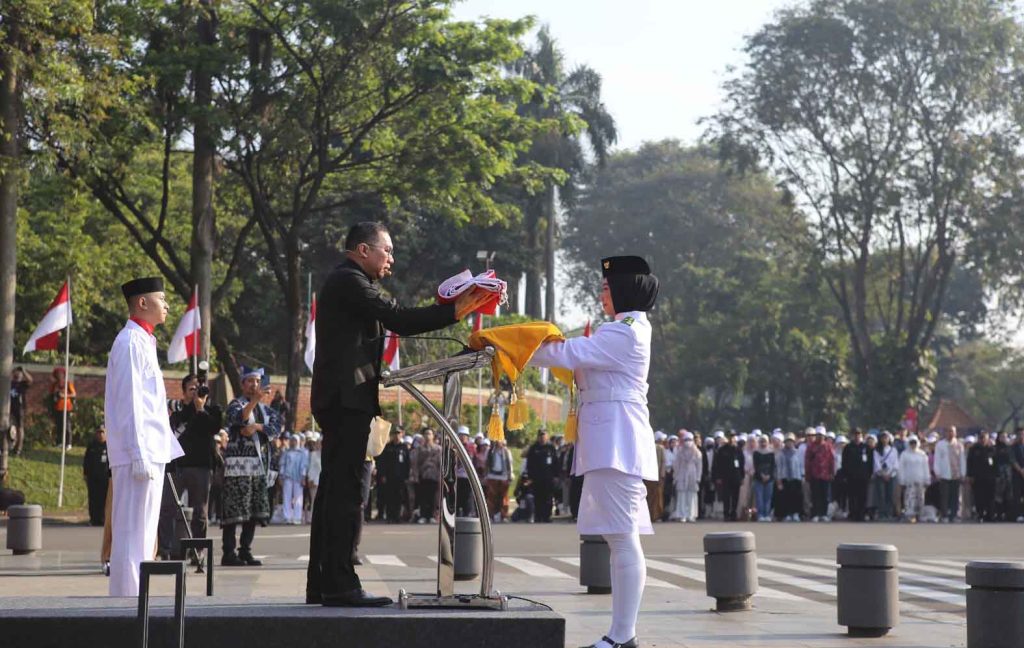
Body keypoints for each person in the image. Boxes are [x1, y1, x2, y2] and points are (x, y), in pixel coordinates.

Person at [305, 221, 473, 608]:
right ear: (363, 250)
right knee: (346, 496)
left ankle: (324, 583)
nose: (391, 260)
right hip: (347, 402)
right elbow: (398, 318)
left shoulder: (347, 281)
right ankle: (341, 585)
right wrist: (456, 311)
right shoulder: (350, 281)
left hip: (343, 399)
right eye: (387, 251)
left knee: (335, 495)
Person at [529, 254, 659, 648]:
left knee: (622, 539)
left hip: (616, 444)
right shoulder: (625, 328)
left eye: (605, 288)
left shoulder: (624, 332)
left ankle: (622, 637)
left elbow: (567, 354)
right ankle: (622, 635)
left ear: (621, 290)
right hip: (612, 442)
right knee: (620, 539)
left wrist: (511, 343)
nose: (602, 294)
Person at [104, 276, 184, 596]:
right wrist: (137, 452)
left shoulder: (144, 341)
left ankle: (136, 601)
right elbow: (131, 402)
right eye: (160, 298)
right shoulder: (128, 343)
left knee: (144, 533)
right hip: (139, 453)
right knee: (131, 534)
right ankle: (126, 603)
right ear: (142, 303)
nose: (166, 305)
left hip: (151, 451)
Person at [222, 366, 279, 566]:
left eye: (257, 381)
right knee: (234, 511)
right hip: (237, 467)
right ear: (243, 384)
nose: (254, 385)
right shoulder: (235, 404)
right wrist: (254, 403)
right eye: (250, 381)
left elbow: (275, 428)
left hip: (258, 467)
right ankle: (228, 552)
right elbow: (240, 419)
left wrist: (257, 427)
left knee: (254, 511)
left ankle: (245, 550)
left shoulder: (267, 410)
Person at [168, 374, 222, 561]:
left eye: (199, 388)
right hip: (179, 465)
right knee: (171, 508)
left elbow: (213, 428)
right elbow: (175, 425)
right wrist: (190, 406)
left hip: (202, 466)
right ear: (183, 392)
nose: (196, 392)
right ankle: (170, 549)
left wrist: (200, 408)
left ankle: (199, 550)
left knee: (200, 511)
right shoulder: (179, 413)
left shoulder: (212, 409)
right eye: (191, 389)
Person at [377, 428, 409, 523]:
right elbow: (382, 463)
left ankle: (397, 516)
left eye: (398, 433)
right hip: (389, 476)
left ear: (402, 434)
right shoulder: (387, 447)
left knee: (399, 497)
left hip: (400, 477)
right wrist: (382, 475)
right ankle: (390, 517)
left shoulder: (404, 447)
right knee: (389, 497)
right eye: (395, 433)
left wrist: (407, 476)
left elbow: (408, 463)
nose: (396, 435)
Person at [525, 430, 558, 523]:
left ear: (547, 437)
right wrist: (530, 477)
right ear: (538, 437)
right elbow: (529, 464)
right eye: (540, 436)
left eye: (544, 436)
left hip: (548, 478)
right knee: (538, 498)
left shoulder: (551, 448)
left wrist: (556, 476)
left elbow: (555, 462)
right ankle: (538, 516)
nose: (542, 438)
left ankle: (547, 516)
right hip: (536, 478)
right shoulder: (534, 448)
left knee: (548, 498)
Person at [670, 431, 702, 522]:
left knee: (691, 496)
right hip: (682, 475)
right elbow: (676, 465)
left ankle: (691, 515)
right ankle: (682, 514)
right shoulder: (679, 452)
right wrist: (675, 477)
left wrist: (698, 478)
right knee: (682, 495)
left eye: (689, 440)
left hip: (693, 475)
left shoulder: (697, 453)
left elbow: (699, 466)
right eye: (686, 440)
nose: (688, 442)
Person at [805, 427, 834, 522]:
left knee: (825, 496)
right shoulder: (811, 447)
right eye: (818, 435)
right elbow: (807, 461)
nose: (820, 437)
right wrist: (807, 474)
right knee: (815, 496)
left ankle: (824, 514)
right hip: (814, 475)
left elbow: (831, 460)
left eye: (821, 435)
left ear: (824, 436)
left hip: (825, 475)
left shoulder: (828, 446)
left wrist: (831, 473)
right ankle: (815, 514)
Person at [712, 433, 744, 521]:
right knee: (726, 497)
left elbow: (741, 464)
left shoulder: (738, 450)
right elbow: (717, 465)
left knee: (735, 497)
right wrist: (718, 477)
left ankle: (733, 513)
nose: (731, 439)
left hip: (736, 476)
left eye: (733, 437)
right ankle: (726, 514)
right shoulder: (722, 450)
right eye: (730, 437)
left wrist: (742, 477)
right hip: (725, 477)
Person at [842, 429, 871, 521]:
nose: (857, 436)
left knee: (862, 496)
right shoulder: (848, 447)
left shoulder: (866, 447)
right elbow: (844, 462)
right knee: (852, 496)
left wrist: (869, 474)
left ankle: (861, 514)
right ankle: (853, 514)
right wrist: (845, 475)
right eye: (855, 434)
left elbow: (870, 462)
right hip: (851, 476)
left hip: (863, 477)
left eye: (859, 434)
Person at [82, 428, 110, 526]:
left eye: (102, 432)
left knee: (105, 499)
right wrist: (85, 474)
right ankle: (94, 519)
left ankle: (103, 519)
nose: (100, 434)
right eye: (98, 432)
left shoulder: (109, 446)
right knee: (93, 499)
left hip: (105, 478)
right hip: (93, 478)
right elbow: (86, 461)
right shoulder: (92, 446)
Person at [898, 435, 929, 522]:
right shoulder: (904, 454)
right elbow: (901, 468)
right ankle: (909, 515)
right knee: (909, 498)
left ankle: (920, 515)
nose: (913, 445)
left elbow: (925, 467)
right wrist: (902, 479)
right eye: (911, 443)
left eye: (914, 443)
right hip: (909, 480)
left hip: (920, 479)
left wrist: (927, 479)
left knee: (920, 498)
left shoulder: (922, 454)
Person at [967, 431, 997, 522]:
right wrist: (970, 475)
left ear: (988, 438)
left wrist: (996, 475)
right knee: (979, 497)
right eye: (981, 437)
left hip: (990, 478)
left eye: (984, 437)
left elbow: (996, 464)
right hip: (977, 477)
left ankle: (990, 515)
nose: (983, 439)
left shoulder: (991, 449)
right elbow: (969, 463)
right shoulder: (973, 449)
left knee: (990, 497)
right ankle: (980, 514)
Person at [483, 438, 514, 521]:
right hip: (492, 476)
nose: (498, 442)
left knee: (504, 498)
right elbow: (486, 464)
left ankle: (503, 515)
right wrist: (485, 476)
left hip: (503, 477)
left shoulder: (507, 452)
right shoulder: (489, 451)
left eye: (500, 440)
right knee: (491, 498)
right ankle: (491, 515)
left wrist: (510, 475)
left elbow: (510, 464)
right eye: (496, 441)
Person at [751, 434, 776, 522]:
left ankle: (767, 514)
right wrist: (761, 475)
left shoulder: (771, 453)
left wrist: (768, 475)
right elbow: (756, 465)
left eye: (765, 441)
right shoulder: (756, 453)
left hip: (770, 478)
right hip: (758, 478)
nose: (763, 443)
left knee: (768, 498)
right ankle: (760, 514)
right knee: (759, 498)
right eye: (761, 441)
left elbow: (773, 466)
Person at [49, 367, 76, 448]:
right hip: (57, 407)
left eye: (60, 374)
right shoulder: (54, 385)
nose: (59, 375)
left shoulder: (68, 384)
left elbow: (74, 394)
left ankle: (68, 443)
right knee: (59, 425)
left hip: (67, 407)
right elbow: (51, 394)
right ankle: (59, 442)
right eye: (57, 374)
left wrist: (64, 395)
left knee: (67, 425)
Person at [8, 367, 32, 456]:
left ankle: (18, 448)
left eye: (19, 373)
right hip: (9, 408)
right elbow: (6, 377)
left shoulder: (23, 384)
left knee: (20, 428)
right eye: (16, 373)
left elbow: (30, 380)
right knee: (7, 426)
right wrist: (13, 370)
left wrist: (24, 371)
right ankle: (9, 445)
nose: (18, 374)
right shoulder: (10, 383)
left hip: (19, 408)